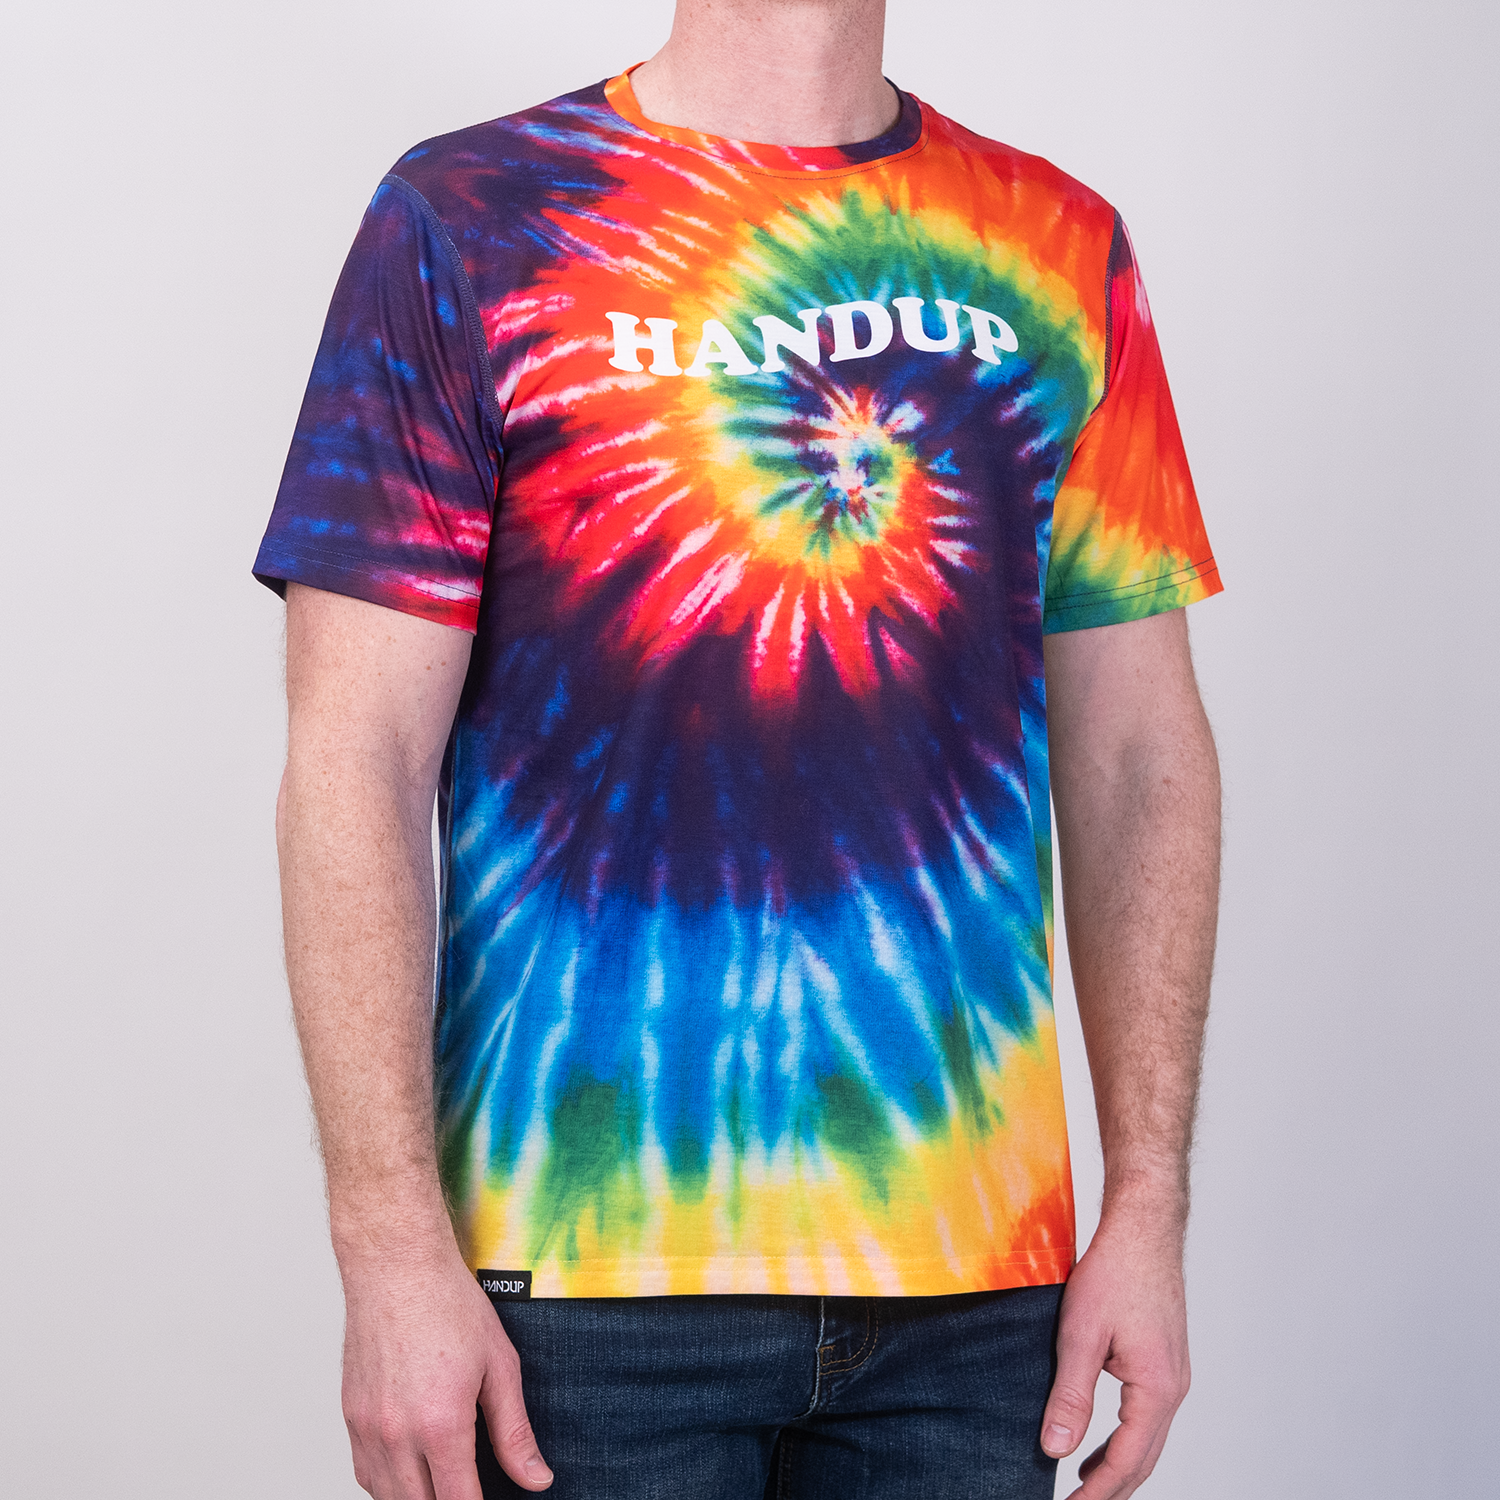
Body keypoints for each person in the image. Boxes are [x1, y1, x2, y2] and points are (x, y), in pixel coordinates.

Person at [254, 0, 1223, 1495]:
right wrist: (386, 1245)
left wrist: (1147, 1205)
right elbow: (354, 759)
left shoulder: (1058, 245)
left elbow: (1141, 758)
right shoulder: (467, 218)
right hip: (577, 1282)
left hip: (975, 1296)